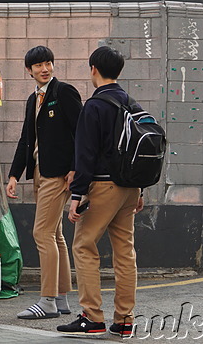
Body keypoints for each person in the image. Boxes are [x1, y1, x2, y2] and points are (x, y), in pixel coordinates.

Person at [57, 46, 144, 337]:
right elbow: (139, 149)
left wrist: (77, 195)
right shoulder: (132, 104)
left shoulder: (94, 106)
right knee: (124, 252)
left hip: (103, 188)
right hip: (130, 188)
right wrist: (140, 190)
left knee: (83, 246)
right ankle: (124, 320)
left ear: (93, 68)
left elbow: (86, 155)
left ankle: (91, 317)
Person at [6, 46, 82, 320]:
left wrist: (76, 168)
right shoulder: (32, 99)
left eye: (48, 63)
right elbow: (26, 139)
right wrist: (14, 174)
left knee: (42, 233)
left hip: (58, 174)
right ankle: (61, 299)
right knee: (55, 234)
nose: (44, 68)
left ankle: (47, 300)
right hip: (40, 172)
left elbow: (81, 132)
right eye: (38, 65)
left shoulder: (64, 92)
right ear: (29, 70)